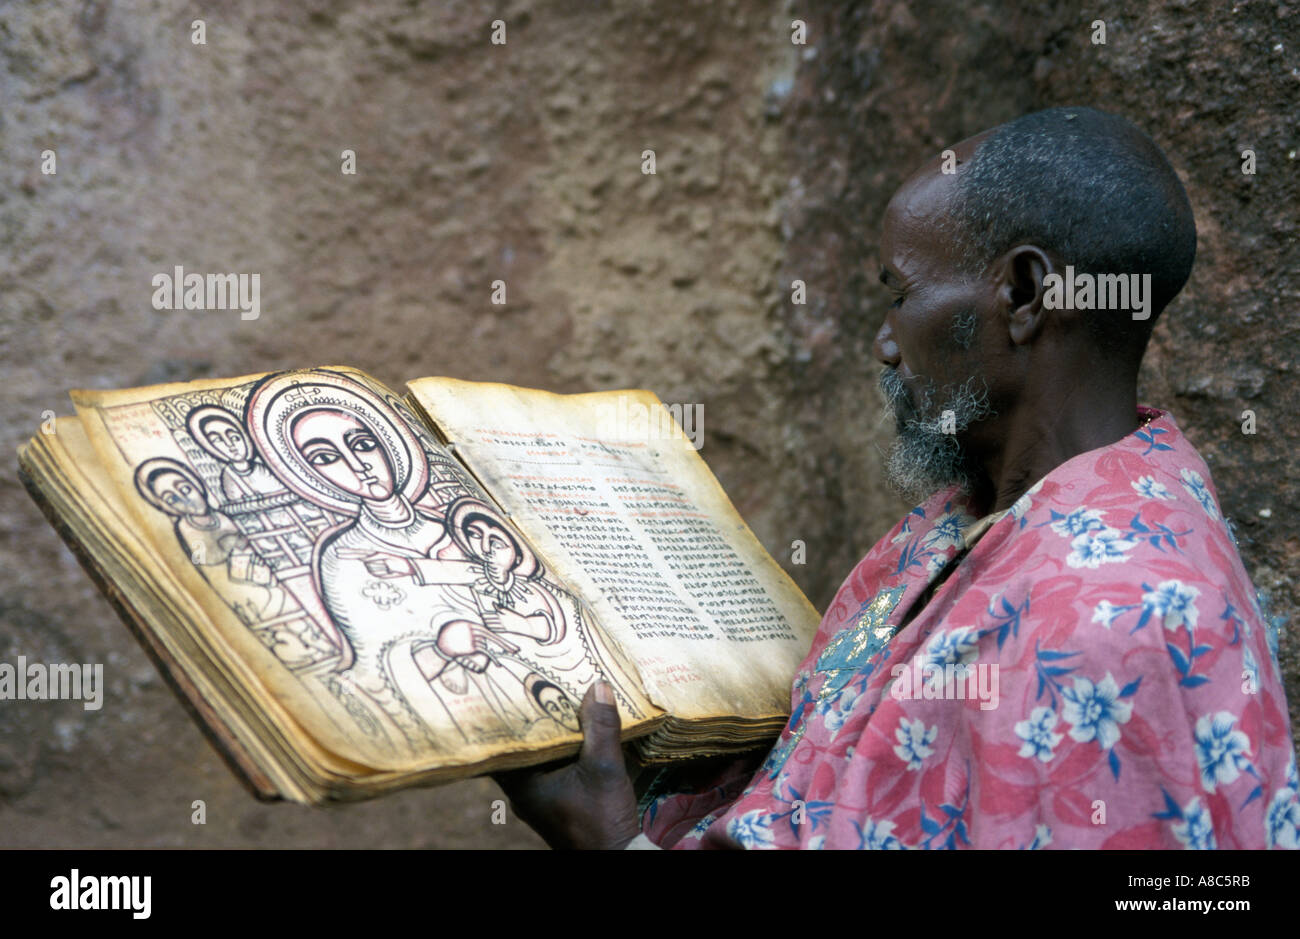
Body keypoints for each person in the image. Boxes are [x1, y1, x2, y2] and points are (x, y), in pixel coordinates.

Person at [495, 107, 1300, 850]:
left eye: (901, 294)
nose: (885, 344)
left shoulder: (1110, 628)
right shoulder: (971, 518)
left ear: (1023, 295)